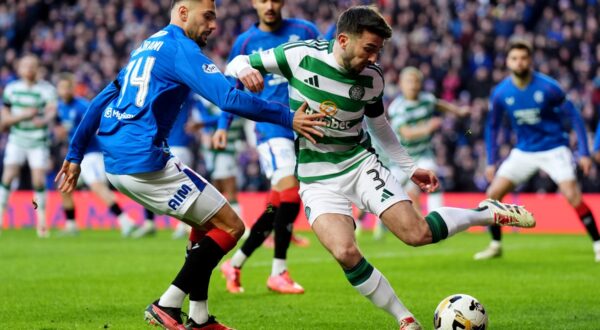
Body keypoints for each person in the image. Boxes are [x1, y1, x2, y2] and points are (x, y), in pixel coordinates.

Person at [225, 6, 535, 329]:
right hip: (316, 178)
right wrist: (245, 70)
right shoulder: (298, 56)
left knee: (417, 234)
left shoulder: (372, 79)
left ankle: (484, 212)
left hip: (359, 163)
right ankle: (406, 319)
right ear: (343, 40)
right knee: (345, 252)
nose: (374, 58)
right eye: (369, 49)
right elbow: (237, 61)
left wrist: (408, 166)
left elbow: (379, 125)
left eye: (379, 51)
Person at [55, 1, 324, 329]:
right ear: (183, 13)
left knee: (206, 223)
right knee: (231, 226)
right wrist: (287, 116)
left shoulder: (147, 46)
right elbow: (228, 98)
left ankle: (199, 316)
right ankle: (167, 303)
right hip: (143, 159)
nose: (213, 26)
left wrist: (74, 154)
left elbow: (102, 98)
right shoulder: (181, 49)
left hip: (119, 159)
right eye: (207, 17)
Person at [216, 0, 320, 295]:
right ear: (253, 3)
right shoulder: (246, 41)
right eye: (263, 0)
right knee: (290, 191)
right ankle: (279, 272)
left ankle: (234, 264)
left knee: (278, 205)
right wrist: (223, 126)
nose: (270, 5)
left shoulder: (305, 30)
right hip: (269, 125)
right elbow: (231, 86)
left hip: (303, 121)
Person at [474, 39, 600, 262]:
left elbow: (575, 117)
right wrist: (491, 161)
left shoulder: (549, 87)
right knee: (492, 196)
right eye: (515, 58)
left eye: (523, 58)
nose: (519, 62)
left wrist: (584, 153)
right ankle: (495, 245)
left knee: (572, 196)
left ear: (530, 60)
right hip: (524, 151)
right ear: (508, 62)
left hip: (554, 148)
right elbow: (492, 126)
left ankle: (598, 244)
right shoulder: (501, 92)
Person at [55, 73, 137, 237]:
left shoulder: (82, 106)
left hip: (91, 154)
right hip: (78, 156)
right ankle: (71, 224)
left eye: (67, 87)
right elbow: (63, 129)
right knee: (64, 187)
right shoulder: (61, 107)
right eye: (61, 87)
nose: (64, 90)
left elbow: (98, 124)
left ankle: (125, 220)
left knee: (97, 187)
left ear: (73, 88)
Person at [387, 67, 469, 216]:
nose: (413, 84)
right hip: (401, 158)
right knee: (389, 192)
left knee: (432, 179)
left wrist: (457, 111)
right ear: (401, 84)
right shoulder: (397, 108)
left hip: (423, 153)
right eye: (409, 81)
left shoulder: (426, 99)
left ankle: (437, 219)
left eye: (416, 81)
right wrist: (428, 127)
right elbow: (406, 133)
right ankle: (372, 222)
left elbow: (438, 104)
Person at [0, 54, 57, 238]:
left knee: (38, 181)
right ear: (19, 68)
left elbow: (51, 111)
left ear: (38, 68)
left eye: (33, 66)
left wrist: (45, 119)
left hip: (38, 141)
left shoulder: (46, 89)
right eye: (25, 65)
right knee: (8, 176)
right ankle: (1, 218)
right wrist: (25, 115)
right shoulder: (11, 89)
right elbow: (5, 119)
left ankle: (41, 222)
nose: (29, 69)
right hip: (17, 139)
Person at [132, 93, 200, 239]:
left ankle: (182, 224)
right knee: (176, 185)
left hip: (175, 147)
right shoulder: (185, 95)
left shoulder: (166, 95)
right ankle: (157, 223)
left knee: (156, 183)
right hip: (175, 146)